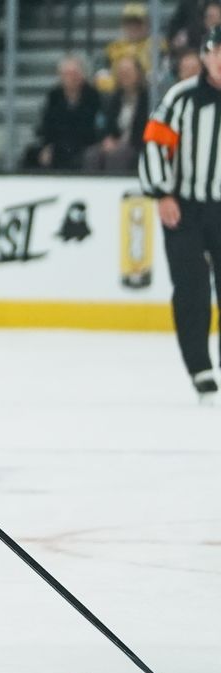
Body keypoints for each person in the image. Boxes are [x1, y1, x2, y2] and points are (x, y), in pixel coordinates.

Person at [139, 26, 221, 404]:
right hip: (184, 208)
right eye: (216, 51)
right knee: (191, 290)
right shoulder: (181, 96)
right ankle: (201, 370)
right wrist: (161, 192)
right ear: (205, 55)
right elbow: (155, 144)